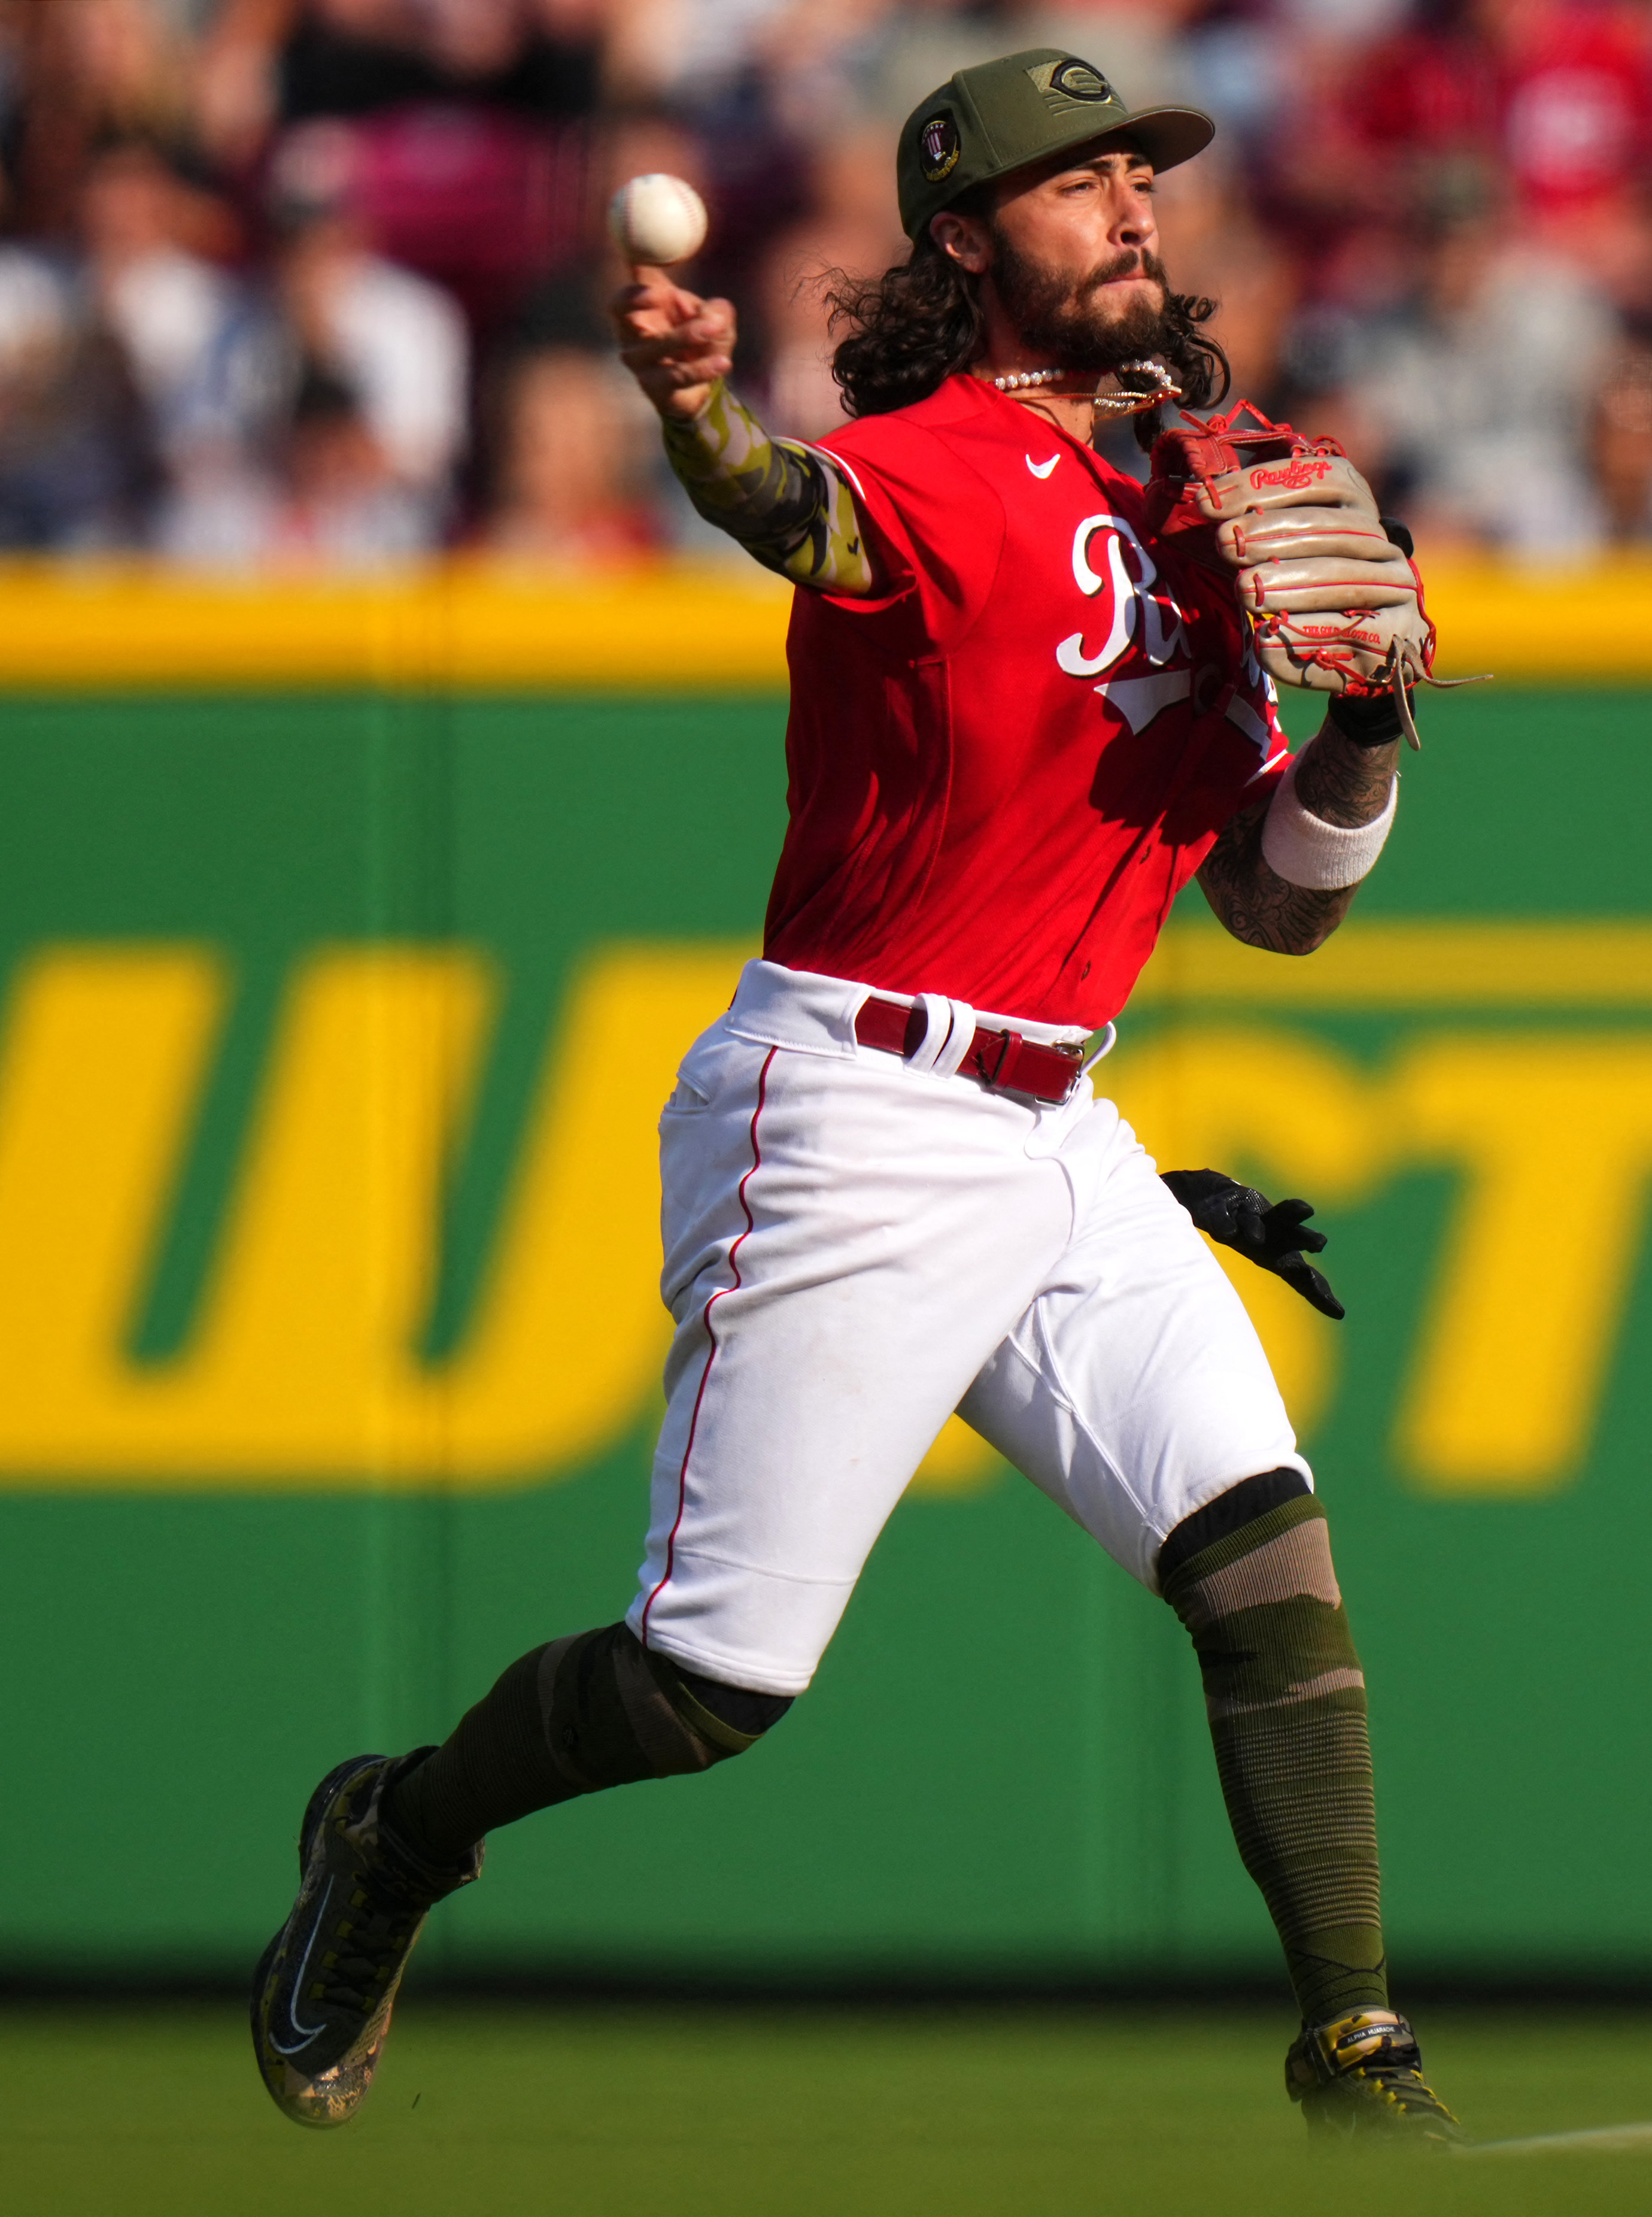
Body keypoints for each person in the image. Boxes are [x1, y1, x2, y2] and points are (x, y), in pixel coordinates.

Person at [245, 47, 1463, 2146]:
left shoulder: (1216, 493)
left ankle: (1359, 2059)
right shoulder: (918, 466)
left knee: (1264, 1554)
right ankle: (398, 1830)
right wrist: (690, 406)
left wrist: (1363, 727)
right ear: (970, 236)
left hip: (1057, 1125)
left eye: (1143, 179)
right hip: (855, 1103)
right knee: (707, 1687)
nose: (1133, 213)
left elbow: (1274, 907)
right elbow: (774, 507)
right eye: (1079, 187)